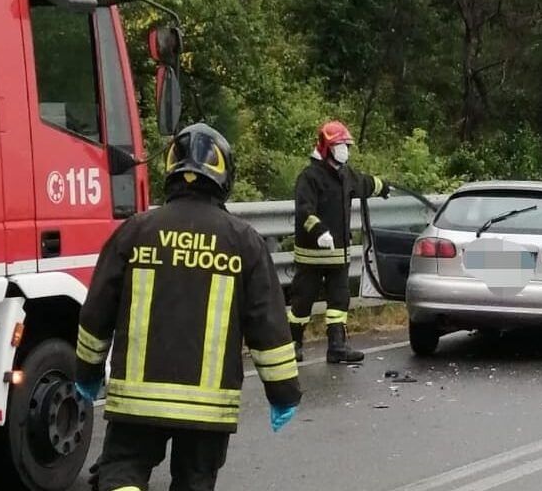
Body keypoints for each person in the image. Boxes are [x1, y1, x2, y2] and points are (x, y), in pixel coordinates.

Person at [75, 123, 301, 491]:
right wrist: (284, 393)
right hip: (208, 408)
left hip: (137, 401)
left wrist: (86, 371)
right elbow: (269, 329)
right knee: (195, 481)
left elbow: (95, 313)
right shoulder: (244, 242)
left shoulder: (135, 231)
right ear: (224, 174)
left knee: (123, 470)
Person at [286, 120, 390, 364]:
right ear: (326, 147)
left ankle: (337, 347)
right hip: (311, 256)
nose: (345, 150)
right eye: (340, 145)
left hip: (338, 255)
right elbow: (303, 210)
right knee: (303, 300)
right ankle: (293, 345)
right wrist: (319, 231)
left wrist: (383, 186)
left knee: (339, 301)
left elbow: (365, 183)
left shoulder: (345, 175)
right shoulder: (310, 177)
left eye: (346, 145)